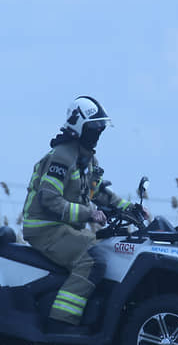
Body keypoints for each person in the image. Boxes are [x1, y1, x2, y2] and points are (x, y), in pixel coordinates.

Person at [21, 96, 146, 325]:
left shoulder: (88, 159)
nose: (98, 133)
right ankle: (62, 320)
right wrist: (88, 213)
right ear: (79, 126)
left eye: (100, 128)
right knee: (93, 259)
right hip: (45, 230)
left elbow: (97, 193)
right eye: (94, 128)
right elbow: (49, 199)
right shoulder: (62, 157)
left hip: (65, 229)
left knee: (109, 250)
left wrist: (130, 208)